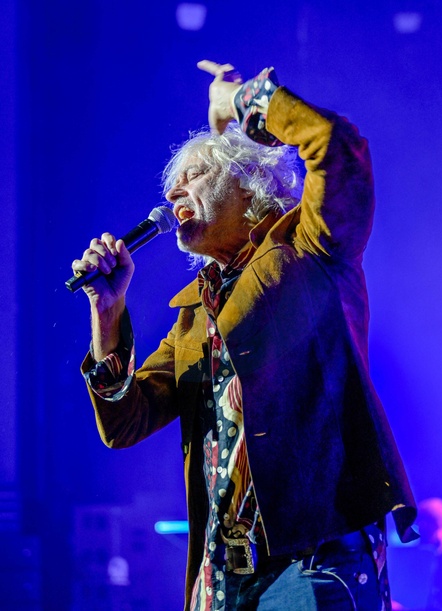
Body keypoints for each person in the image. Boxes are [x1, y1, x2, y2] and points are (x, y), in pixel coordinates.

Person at [72, 60, 418, 610]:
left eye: (195, 175)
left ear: (249, 182)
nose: (175, 191)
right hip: (221, 579)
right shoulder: (194, 315)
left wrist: (241, 100)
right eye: (173, 183)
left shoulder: (310, 248)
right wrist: (107, 313)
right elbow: (125, 422)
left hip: (311, 562)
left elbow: (336, 145)